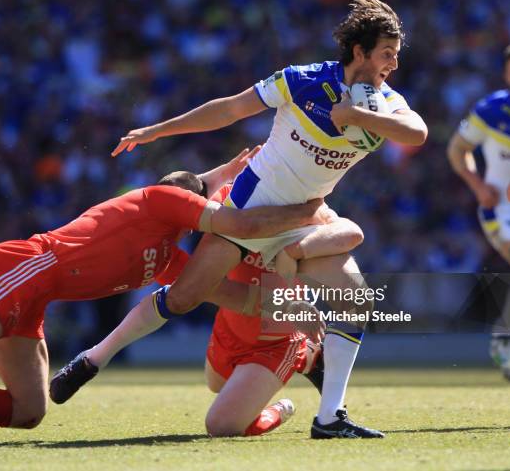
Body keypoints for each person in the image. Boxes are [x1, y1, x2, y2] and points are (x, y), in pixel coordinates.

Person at [53, 0, 428, 439]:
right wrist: (157, 130)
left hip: (303, 219)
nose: (394, 64)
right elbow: (230, 108)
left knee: (357, 300)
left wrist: (355, 115)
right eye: (387, 54)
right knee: (182, 298)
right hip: (245, 215)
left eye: (397, 55)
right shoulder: (302, 80)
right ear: (359, 51)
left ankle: (330, 417)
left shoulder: (384, 102)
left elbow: (417, 133)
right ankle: (95, 357)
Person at [0, 149, 326, 434]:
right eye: (203, 203)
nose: (207, 213)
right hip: (26, 267)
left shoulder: (165, 256)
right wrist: (306, 209)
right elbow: (237, 223)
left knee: (27, 411)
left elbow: (223, 294)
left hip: (36, 298)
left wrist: (292, 311)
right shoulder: (159, 199)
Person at [50, 186, 365, 439]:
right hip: (231, 325)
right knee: (216, 382)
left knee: (222, 425)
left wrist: (299, 250)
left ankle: (293, 377)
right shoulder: (229, 202)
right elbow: (224, 290)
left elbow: (351, 231)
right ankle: (311, 357)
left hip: (275, 340)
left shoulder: (303, 206)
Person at [447, 44, 510, 380]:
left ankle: (505, 337)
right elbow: (457, 150)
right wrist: (477, 186)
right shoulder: (491, 110)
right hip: (500, 210)